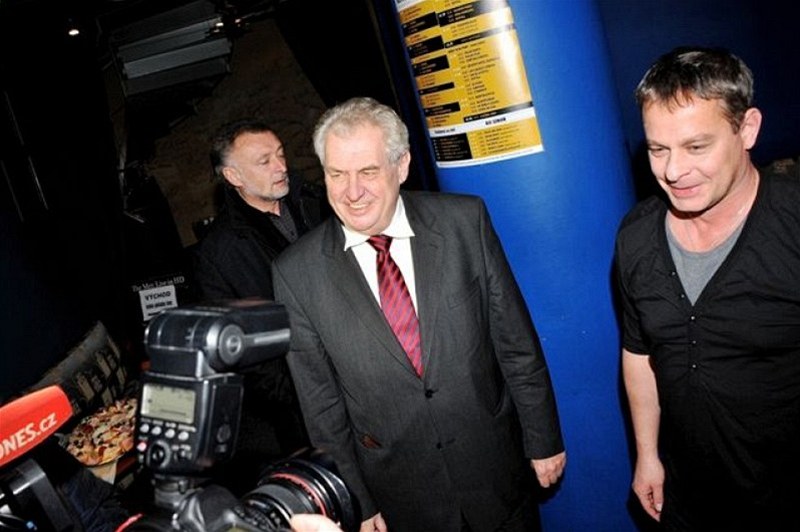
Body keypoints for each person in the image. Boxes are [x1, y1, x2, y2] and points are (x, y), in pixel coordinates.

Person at [272, 96, 566, 532]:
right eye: (337, 174)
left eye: (368, 171)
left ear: (402, 165)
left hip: (495, 473)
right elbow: (321, 409)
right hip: (401, 498)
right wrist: (357, 501)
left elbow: (515, 342)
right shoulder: (297, 273)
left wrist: (543, 438)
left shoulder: (463, 223)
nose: (352, 192)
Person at [615, 46, 800, 531]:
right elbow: (639, 354)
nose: (673, 171)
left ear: (748, 129)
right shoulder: (636, 236)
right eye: (658, 149)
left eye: (696, 147)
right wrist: (648, 454)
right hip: (688, 499)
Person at [192, 119, 329, 481]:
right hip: (304, 408)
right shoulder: (219, 254)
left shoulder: (319, 203)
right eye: (264, 161)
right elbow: (242, 354)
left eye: (281, 155)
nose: (281, 166)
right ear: (233, 176)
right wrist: (304, 392)